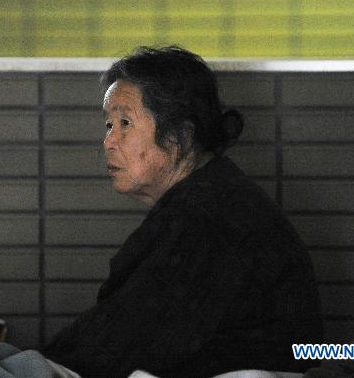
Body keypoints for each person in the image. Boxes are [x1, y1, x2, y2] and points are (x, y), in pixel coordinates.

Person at [43, 46, 323, 378]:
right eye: (108, 125)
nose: (109, 141)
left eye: (125, 123)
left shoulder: (207, 218)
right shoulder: (211, 198)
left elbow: (115, 343)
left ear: (180, 135)